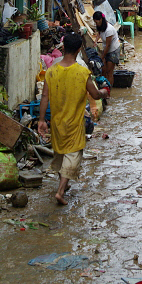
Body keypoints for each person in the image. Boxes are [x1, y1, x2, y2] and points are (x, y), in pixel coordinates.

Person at [38, 34, 109, 205]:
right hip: (75, 123)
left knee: (60, 153)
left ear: (63, 48)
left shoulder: (51, 71)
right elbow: (94, 94)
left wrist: (41, 120)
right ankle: (61, 191)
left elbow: (45, 97)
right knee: (73, 154)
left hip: (56, 121)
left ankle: (63, 183)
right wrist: (104, 92)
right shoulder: (82, 72)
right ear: (78, 50)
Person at [93, 11, 120, 87]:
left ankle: (109, 90)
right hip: (107, 49)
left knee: (109, 72)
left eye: (97, 21)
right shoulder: (100, 26)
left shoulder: (109, 30)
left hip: (113, 50)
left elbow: (108, 45)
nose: (96, 23)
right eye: (95, 22)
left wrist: (102, 57)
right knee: (103, 70)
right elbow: (99, 33)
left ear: (101, 19)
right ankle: (103, 86)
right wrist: (96, 41)